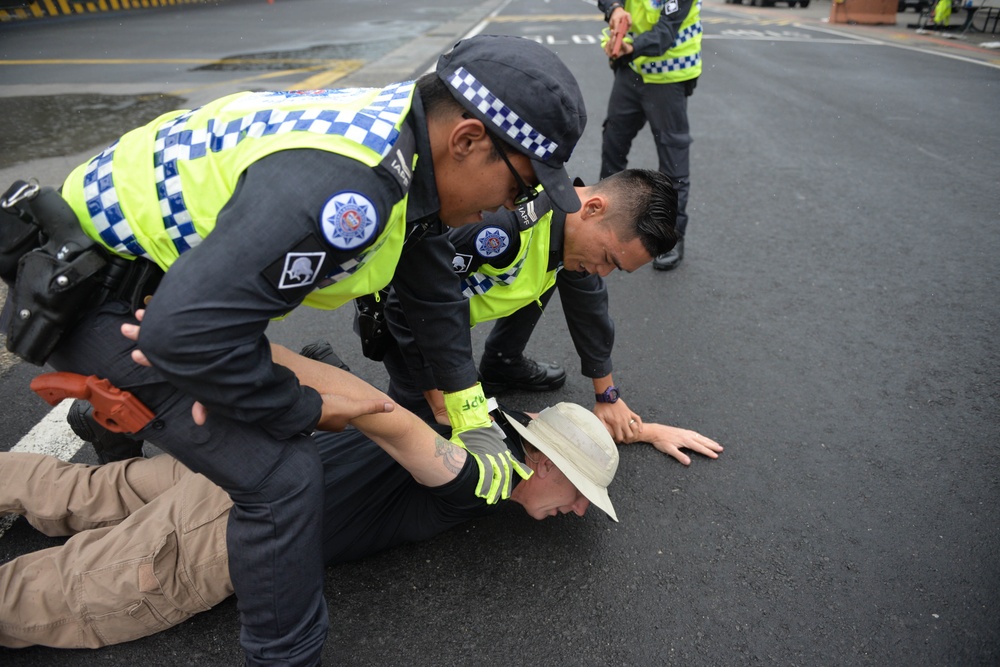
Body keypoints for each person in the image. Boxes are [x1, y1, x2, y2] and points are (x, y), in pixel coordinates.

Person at [0, 34, 586, 666]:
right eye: (522, 186)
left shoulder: (402, 145)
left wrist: (469, 408)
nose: (511, 207)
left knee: (165, 467)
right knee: (282, 478)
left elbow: (432, 282)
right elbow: (180, 336)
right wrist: (294, 407)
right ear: (468, 140)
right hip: (114, 295)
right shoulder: (351, 189)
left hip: (163, 287)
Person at [0, 346, 724, 650]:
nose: (575, 511)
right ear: (541, 458)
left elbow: (383, 401)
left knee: (81, 487)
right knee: (55, 594)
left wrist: (641, 428)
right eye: (580, 494)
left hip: (234, 467)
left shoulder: (473, 410)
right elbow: (391, 423)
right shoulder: (478, 477)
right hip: (227, 531)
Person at [385, 169, 678, 442]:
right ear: (593, 208)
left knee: (559, 270)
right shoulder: (501, 226)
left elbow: (589, 306)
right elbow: (404, 301)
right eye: (608, 259)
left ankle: (502, 363)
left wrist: (607, 395)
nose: (603, 271)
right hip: (402, 322)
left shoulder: (572, 224)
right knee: (426, 437)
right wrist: (442, 397)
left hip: (441, 311)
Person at [596, 0, 702, 271]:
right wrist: (615, 9)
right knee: (613, 147)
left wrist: (630, 46)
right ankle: (602, 224)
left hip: (668, 78)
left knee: (673, 165)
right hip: (631, 71)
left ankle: (672, 237)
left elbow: (665, 32)